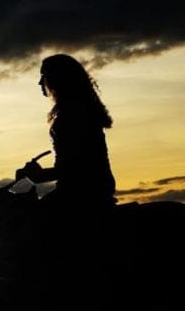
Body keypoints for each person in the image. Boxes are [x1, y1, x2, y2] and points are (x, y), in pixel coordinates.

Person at [18, 54, 116, 209]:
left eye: (43, 76)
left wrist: (37, 175)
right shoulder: (80, 111)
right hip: (91, 191)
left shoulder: (72, 115)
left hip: (81, 196)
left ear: (58, 79)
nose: (39, 82)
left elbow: (76, 169)